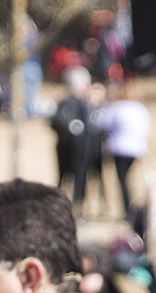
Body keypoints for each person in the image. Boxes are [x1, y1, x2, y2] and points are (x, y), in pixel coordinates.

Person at [94, 80, 151, 220]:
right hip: (137, 148)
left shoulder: (117, 107)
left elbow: (103, 124)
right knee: (128, 178)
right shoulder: (141, 109)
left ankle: (128, 210)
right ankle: (132, 208)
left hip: (120, 148)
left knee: (122, 179)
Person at [50, 68, 96, 211]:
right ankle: (73, 208)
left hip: (70, 148)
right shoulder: (74, 104)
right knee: (76, 179)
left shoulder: (68, 103)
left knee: (70, 180)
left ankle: (68, 207)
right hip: (77, 149)